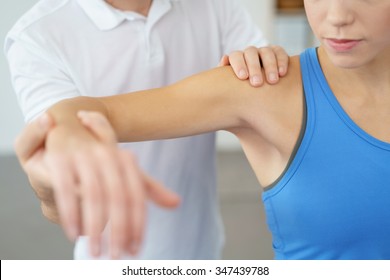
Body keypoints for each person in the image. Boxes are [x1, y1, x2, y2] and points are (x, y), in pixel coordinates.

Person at [26, 0, 390, 259]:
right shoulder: (263, 90)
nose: (338, 16)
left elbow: (259, 50)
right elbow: (85, 113)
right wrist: (67, 133)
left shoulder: (217, 12)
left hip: (201, 246)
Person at [5, 0, 289, 259]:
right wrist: (55, 184)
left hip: (203, 249)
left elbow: (271, 96)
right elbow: (62, 169)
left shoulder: (215, 7)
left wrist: (265, 62)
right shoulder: (35, 35)